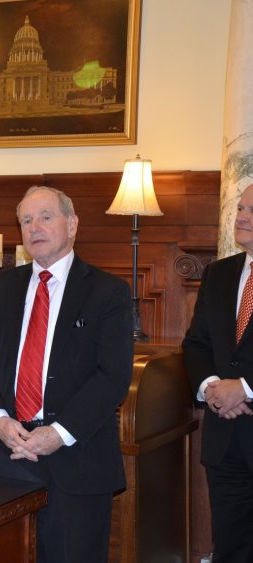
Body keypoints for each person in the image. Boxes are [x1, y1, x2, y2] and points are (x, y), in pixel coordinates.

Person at [0, 186, 133, 563]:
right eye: (26, 220)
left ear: (72, 225)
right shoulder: (2, 288)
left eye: (45, 217)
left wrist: (57, 434)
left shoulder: (108, 292)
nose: (34, 227)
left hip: (78, 461)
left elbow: (112, 376)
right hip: (9, 454)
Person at [183, 182, 253, 563]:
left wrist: (244, 388)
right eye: (240, 209)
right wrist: (213, 388)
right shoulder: (219, 274)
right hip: (225, 439)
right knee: (230, 548)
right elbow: (196, 343)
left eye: (251, 210)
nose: (241, 217)